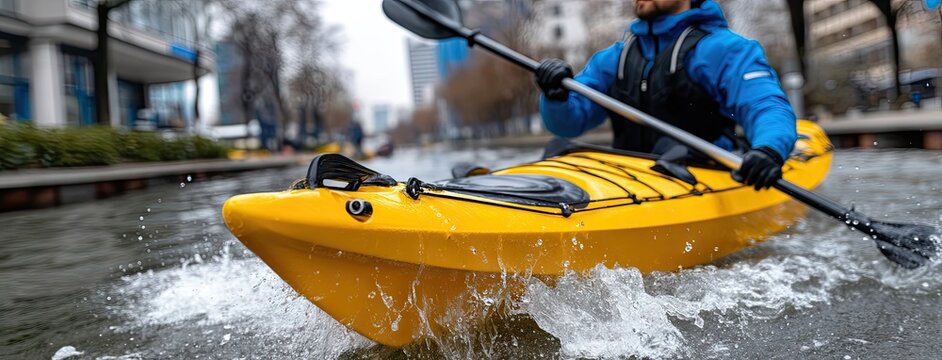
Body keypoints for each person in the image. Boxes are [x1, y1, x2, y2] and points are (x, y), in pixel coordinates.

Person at [535, 0, 796, 190]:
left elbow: (765, 105)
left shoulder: (725, 50)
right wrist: (556, 95)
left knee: (672, 149)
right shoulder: (614, 58)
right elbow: (567, 125)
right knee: (558, 148)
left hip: (702, 171)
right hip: (628, 177)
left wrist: (769, 150)